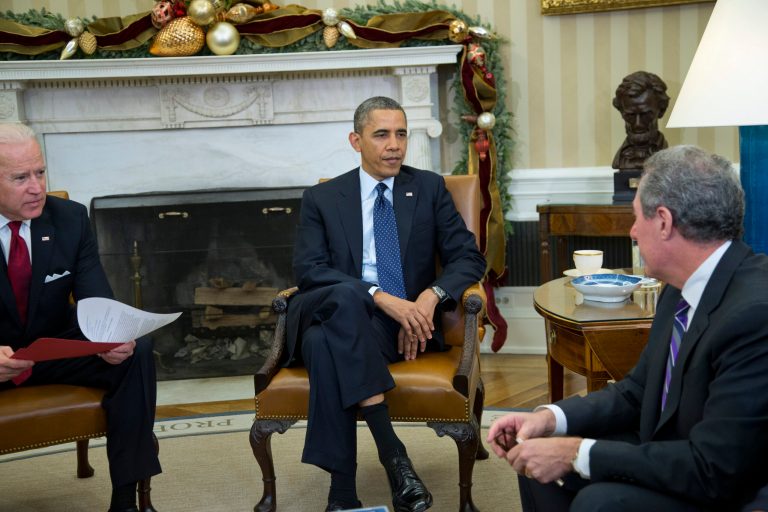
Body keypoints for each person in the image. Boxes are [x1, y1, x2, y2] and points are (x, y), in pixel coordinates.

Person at [488, 145, 768, 511]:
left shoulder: (754, 315)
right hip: (678, 453)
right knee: (536, 459)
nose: (633, 232)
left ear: (664, 222)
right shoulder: (679, 289)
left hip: (728, 487)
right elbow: (637, 392)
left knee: (598, 500)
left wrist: (576, 453)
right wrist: (551, 419)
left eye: (637, 218)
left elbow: (716, 469)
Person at [285, 96, 486, 512]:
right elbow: (309, 270)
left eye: (401, 134)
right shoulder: (322, 198)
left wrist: (429, 298)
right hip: (344, 308)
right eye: (381, 135)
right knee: (345, 294)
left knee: (325, 345)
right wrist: (380, 297)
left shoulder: (428, 188)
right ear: (356, 140)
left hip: (403, 326)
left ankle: (342, 495)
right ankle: (395, 458)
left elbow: (469, 258)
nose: (394, 145)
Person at [0, 123, 161, 512]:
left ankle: (126, 499)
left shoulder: (69, 218)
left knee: (137, 352)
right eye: (20, 178)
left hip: (53, 351)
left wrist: (110, 338)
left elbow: (95, 299)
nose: (37, 187)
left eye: (40, 172)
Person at [612, 71, 670, 171]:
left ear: (661, 111)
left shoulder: (666, 157)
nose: (638, 124)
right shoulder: (621, 158)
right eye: (630, 115)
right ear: (621, 112)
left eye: (645, 115)